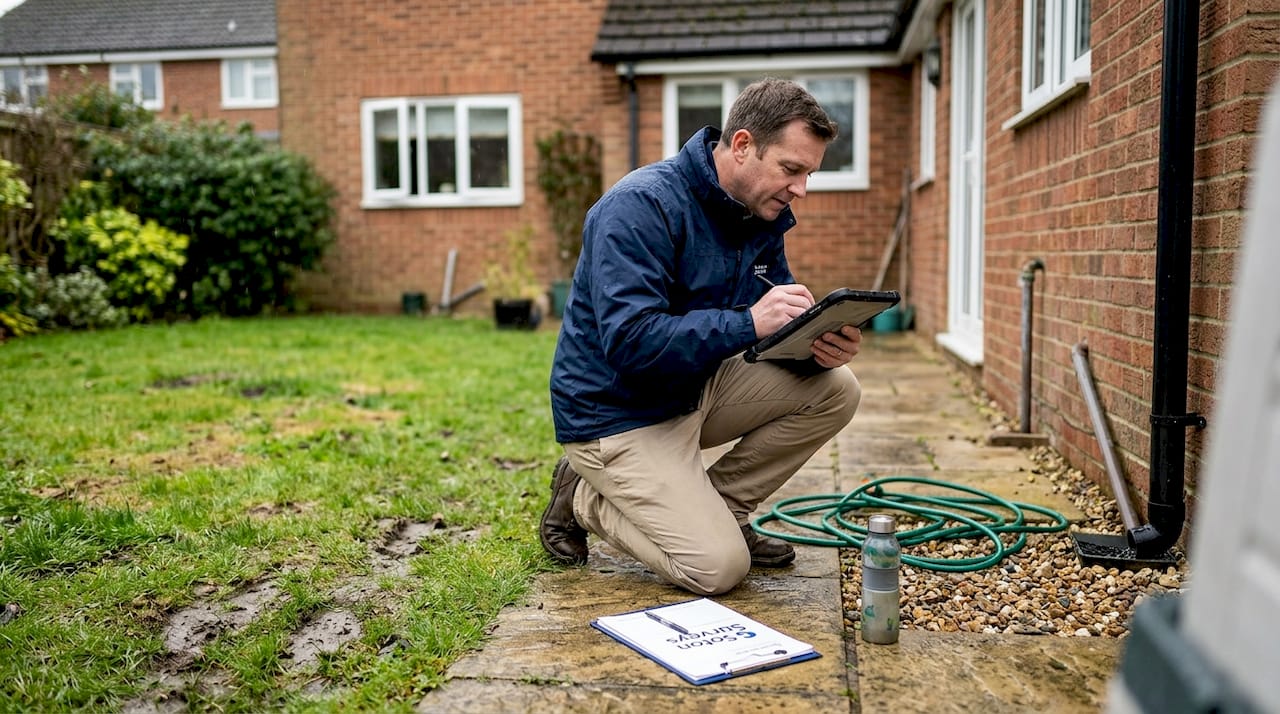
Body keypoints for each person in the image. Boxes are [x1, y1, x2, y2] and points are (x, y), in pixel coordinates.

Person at [542, 78, 863, 595]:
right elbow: (630, 341)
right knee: (718, 569)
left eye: (809, 174)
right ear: (743, 146)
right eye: (791, 169)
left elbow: (771, 329)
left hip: (693, 390)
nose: (801, 189)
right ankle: (584, 498)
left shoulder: (760, 213)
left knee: (837, 389)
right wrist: (749, 322)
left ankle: (723, 510)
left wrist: (816, 349)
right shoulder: (639, 207)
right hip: (618, 414)